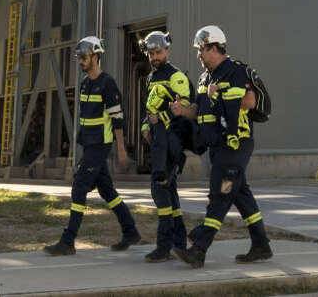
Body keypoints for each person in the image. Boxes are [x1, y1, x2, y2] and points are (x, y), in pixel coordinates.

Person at [170, 25, 271, 268]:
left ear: (214, 47)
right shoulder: (206, 77)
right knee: (240, 193)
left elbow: (250, 100)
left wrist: (221, 96)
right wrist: (182, 110)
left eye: (201, 50)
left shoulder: (235, 71)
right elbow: (200, 109)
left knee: (221, 192)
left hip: (235, 142)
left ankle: (199, 247)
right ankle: (261, 245)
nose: (198, 55)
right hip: (216, 146)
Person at [44, 36, 141, 255]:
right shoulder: (86, 84)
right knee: (107, 191)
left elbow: (118, 119)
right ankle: (131, 231)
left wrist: (121, 149)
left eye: (84, 57)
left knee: (79, 187)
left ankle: (68, 241)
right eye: (79, 58)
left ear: (96, 57)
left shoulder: (107, 84)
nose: (80, 61)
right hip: (88, 145)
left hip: (100, 145)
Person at [138, 31, 195, 262]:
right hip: (158, 143)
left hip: (171, 143)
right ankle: (178, 243)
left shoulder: (176, 76)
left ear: (167, 50)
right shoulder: (152, 77)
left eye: (158, 52)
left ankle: (164, 246)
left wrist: (160, 119)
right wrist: (145, 126)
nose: (154, 56)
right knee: (168, 191)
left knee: (159, 188)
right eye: (151, 53)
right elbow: (151, 109)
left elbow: (186, 112)